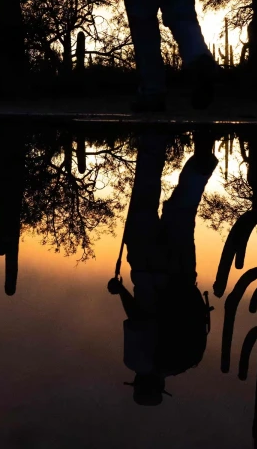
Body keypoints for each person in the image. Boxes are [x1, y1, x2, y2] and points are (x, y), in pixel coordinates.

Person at [108, 131, 218, 405]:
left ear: (160, 385)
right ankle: (154, 134)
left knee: (182, 210)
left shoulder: (182, 362)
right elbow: (137, 317)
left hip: (181, 272)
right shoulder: (136, 361)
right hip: (146, 266)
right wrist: (120, 290)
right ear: (139, 383)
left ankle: (200, 165)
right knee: (145, 194)